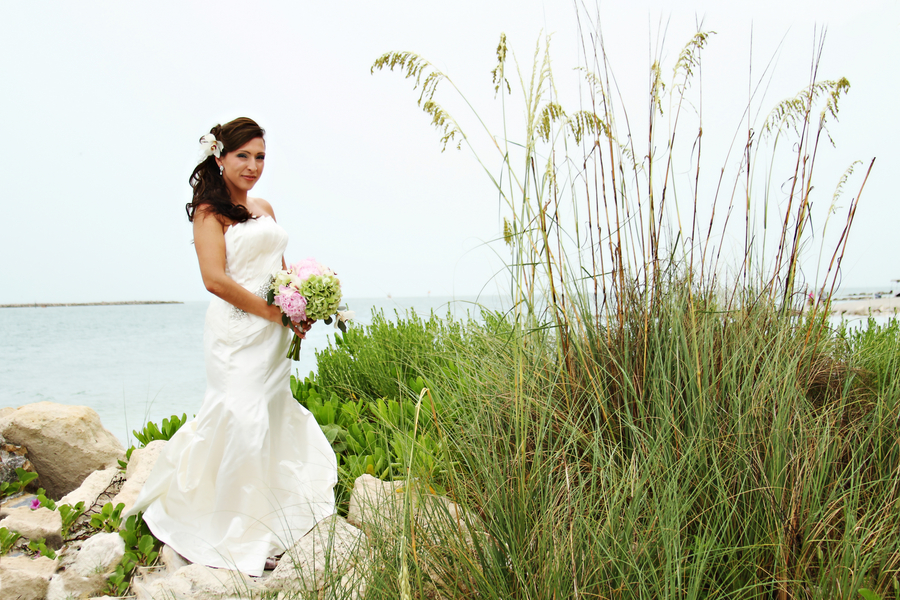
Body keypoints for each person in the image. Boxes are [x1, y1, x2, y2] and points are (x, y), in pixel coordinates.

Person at [128, 117, 337, 576]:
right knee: (242, 419)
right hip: (235, 334)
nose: (253, 165)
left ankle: (272, 512)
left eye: (260, 156)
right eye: (243, 155)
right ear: (219, 157)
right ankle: (233, 527)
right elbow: (215, 280)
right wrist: (270, 313)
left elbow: (281, 272)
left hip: (273, 334)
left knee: (271, 414)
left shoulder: (265, 206)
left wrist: (299, 310)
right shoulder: (209, 211)